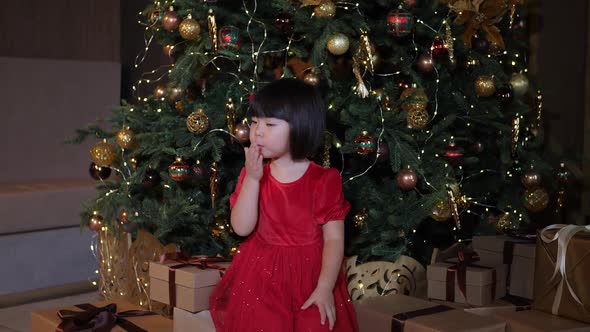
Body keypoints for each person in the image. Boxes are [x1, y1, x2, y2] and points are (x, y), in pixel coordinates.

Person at [209, 78, 358, 331]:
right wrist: (253, 180)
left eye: (270, 124)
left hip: (311, 275)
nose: (257, 131)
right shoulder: (253, 174)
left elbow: (334, 240)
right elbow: (241, 228)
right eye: (255, 122)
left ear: (299, 127)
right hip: (262, 276)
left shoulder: (324, 179)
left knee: (316, 324)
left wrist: (324, 288)